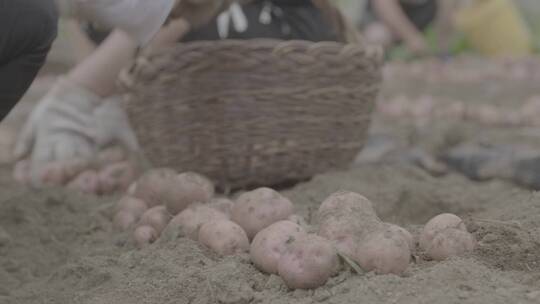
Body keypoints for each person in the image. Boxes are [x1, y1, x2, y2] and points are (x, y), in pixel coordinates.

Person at [11, 0, 356, 187]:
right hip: (167, 46)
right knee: (97, 16)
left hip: (267, 32)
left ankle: (105, 93)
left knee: (172, 13)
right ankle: (113, 96)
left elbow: (175, 14)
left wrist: (80, 92)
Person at [361, 0, 456, 56]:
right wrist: (412, 38)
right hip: (386, 25)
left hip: (421, 22)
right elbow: (383, 5)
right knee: (377, 35)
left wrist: (442, 48)